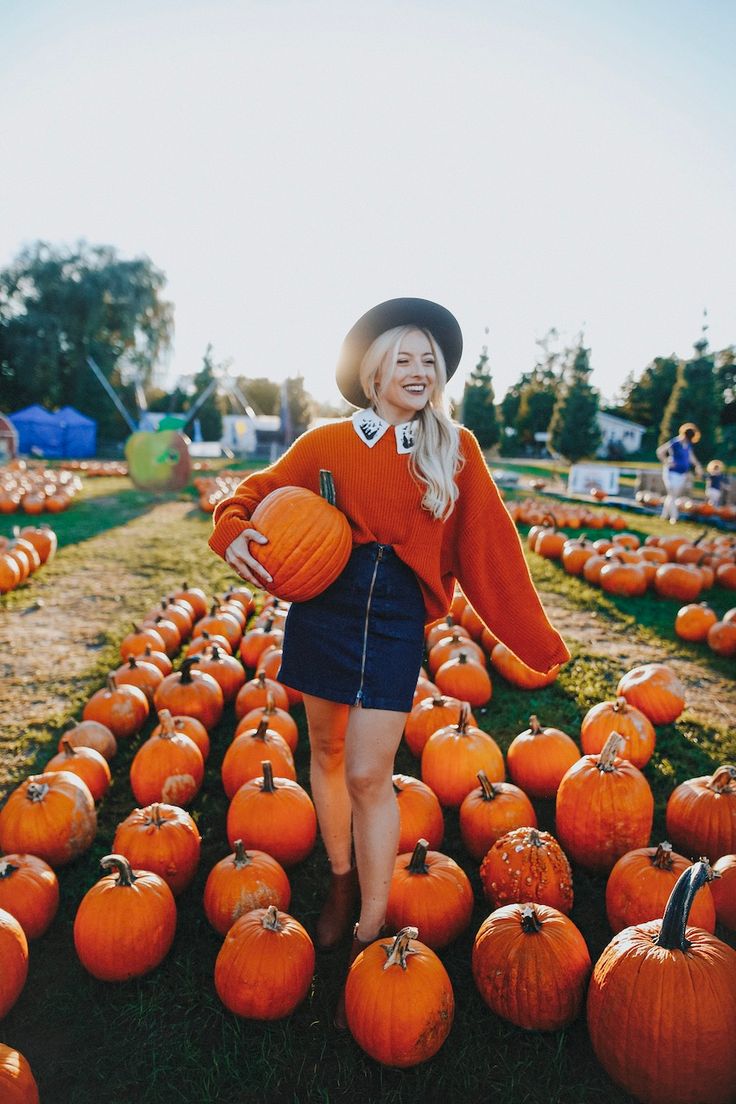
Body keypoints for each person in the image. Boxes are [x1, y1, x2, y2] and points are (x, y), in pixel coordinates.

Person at [208, 297, 570, 1027]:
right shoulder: (328, 444)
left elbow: (492, 551)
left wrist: (535, 641)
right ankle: (341, 878)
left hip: (398, 618)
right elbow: (249, 495)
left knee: (373, 773)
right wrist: (233, 531)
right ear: (373, 372)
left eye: (428, 360)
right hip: (327, 610)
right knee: (328, 751)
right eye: (402, 358)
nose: (417, 370)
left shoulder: (453, 448)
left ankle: (371, 924)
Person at [655, 422, 704, 524]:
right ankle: (674, 517)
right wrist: (666, 461)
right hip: (671, 473)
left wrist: (697, 465)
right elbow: (660, 451)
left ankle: (664, 515)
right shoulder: (675, 442)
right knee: (672, 494)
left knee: (672, 496)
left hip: (681, 474)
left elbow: (691, 457)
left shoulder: (688, 445)